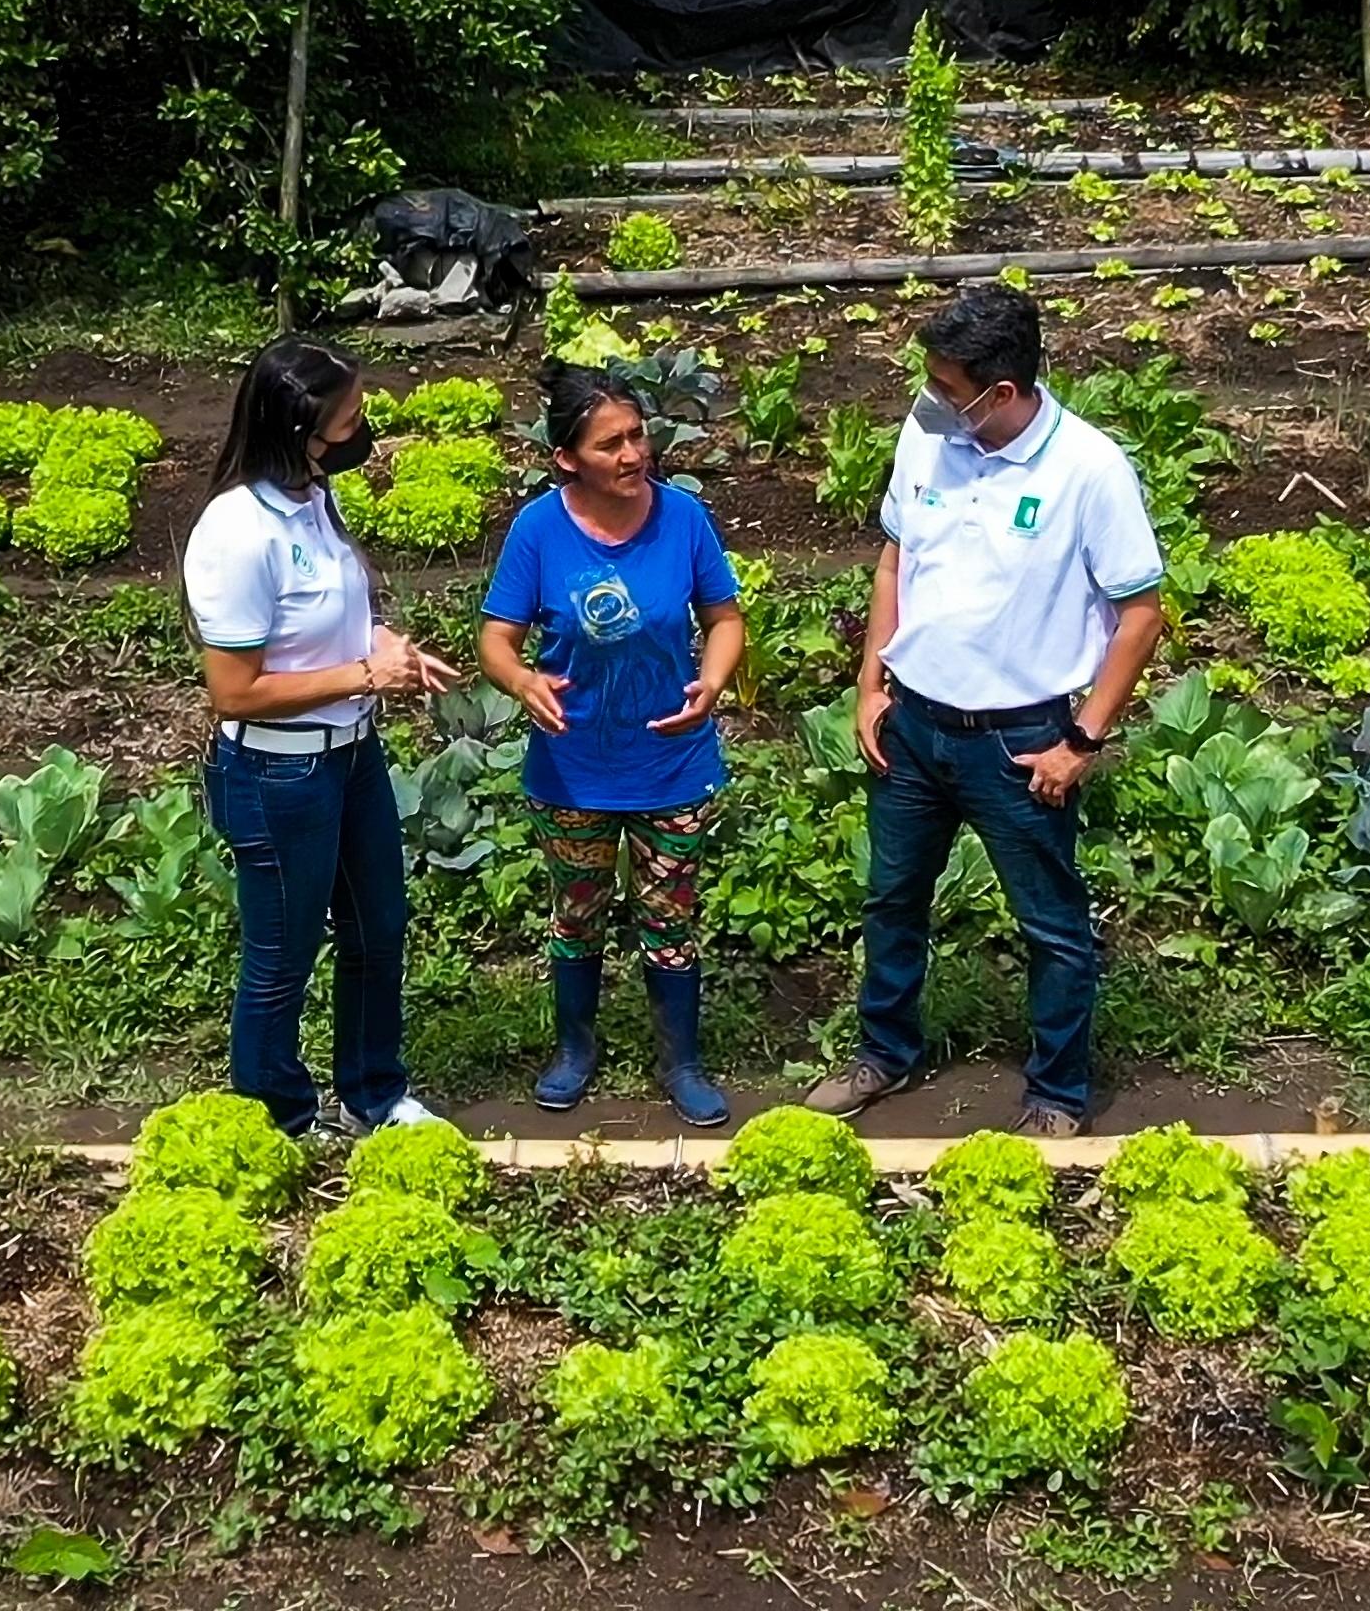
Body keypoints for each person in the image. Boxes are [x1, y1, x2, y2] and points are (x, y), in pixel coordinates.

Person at [804, 284, 1165, 1138]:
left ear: (1000, 391)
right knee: (892, 901)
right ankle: (884, 1052)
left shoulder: (1089, 471)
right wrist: (871, 683)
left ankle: (1057, 1093)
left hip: (1020, 741)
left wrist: (1081, 740)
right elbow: (894, 561)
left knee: (1052, 926)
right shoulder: (930, 440)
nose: (929, 398)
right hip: (914, 729)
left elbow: (1141, 614)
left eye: (945, 383)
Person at [183, 339, 462, 1137]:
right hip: (280, 776)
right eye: (351, 418)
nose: (363, 428)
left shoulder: (312, 495)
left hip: (350, 755)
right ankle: (277, 1114)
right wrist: (363, 679)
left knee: (379, 928)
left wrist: (380, 643)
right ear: (302, 427)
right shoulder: (237, 532)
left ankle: (376, 1092)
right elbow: (234, 692)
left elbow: (322, 621)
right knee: (283, 955)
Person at [480, 364, 746, 1126]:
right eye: (611, 444)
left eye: (638, 436)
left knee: (671, 914)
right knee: (578, 911)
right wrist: (521, 681)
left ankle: (682, 1060)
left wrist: (713, 682)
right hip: (573, 769)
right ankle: (574, 1049)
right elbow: (497, 639)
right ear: (568, 458)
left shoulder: (684, 519)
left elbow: (724, 618)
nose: (634, 455)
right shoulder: (538, 529)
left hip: (672, 759)